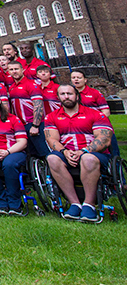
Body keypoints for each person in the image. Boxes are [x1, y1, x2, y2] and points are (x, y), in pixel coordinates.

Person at [44, 84, 114, 223]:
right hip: (67, 153)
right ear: (58, 97)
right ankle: (74, 203)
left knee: (87, 159)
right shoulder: (51, 117)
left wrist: (84, 151)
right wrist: (65, 152)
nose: (66, 97)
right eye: (62, 94)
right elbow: (51, 138)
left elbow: (104, 139)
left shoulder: (94, 114)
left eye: (69, 93)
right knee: (52, 158)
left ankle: (89, 205)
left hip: (93, 154)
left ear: (77, 96)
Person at [6, 61, 47, 157]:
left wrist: (35, 125)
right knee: (31, 154)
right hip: (21, 126)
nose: (14, 71)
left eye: (16, 69)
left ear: (22, 70)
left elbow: (38, 105)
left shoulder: (31, 84)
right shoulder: (12, 87)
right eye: (11, 69)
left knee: (43, 152)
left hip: (33, 125)